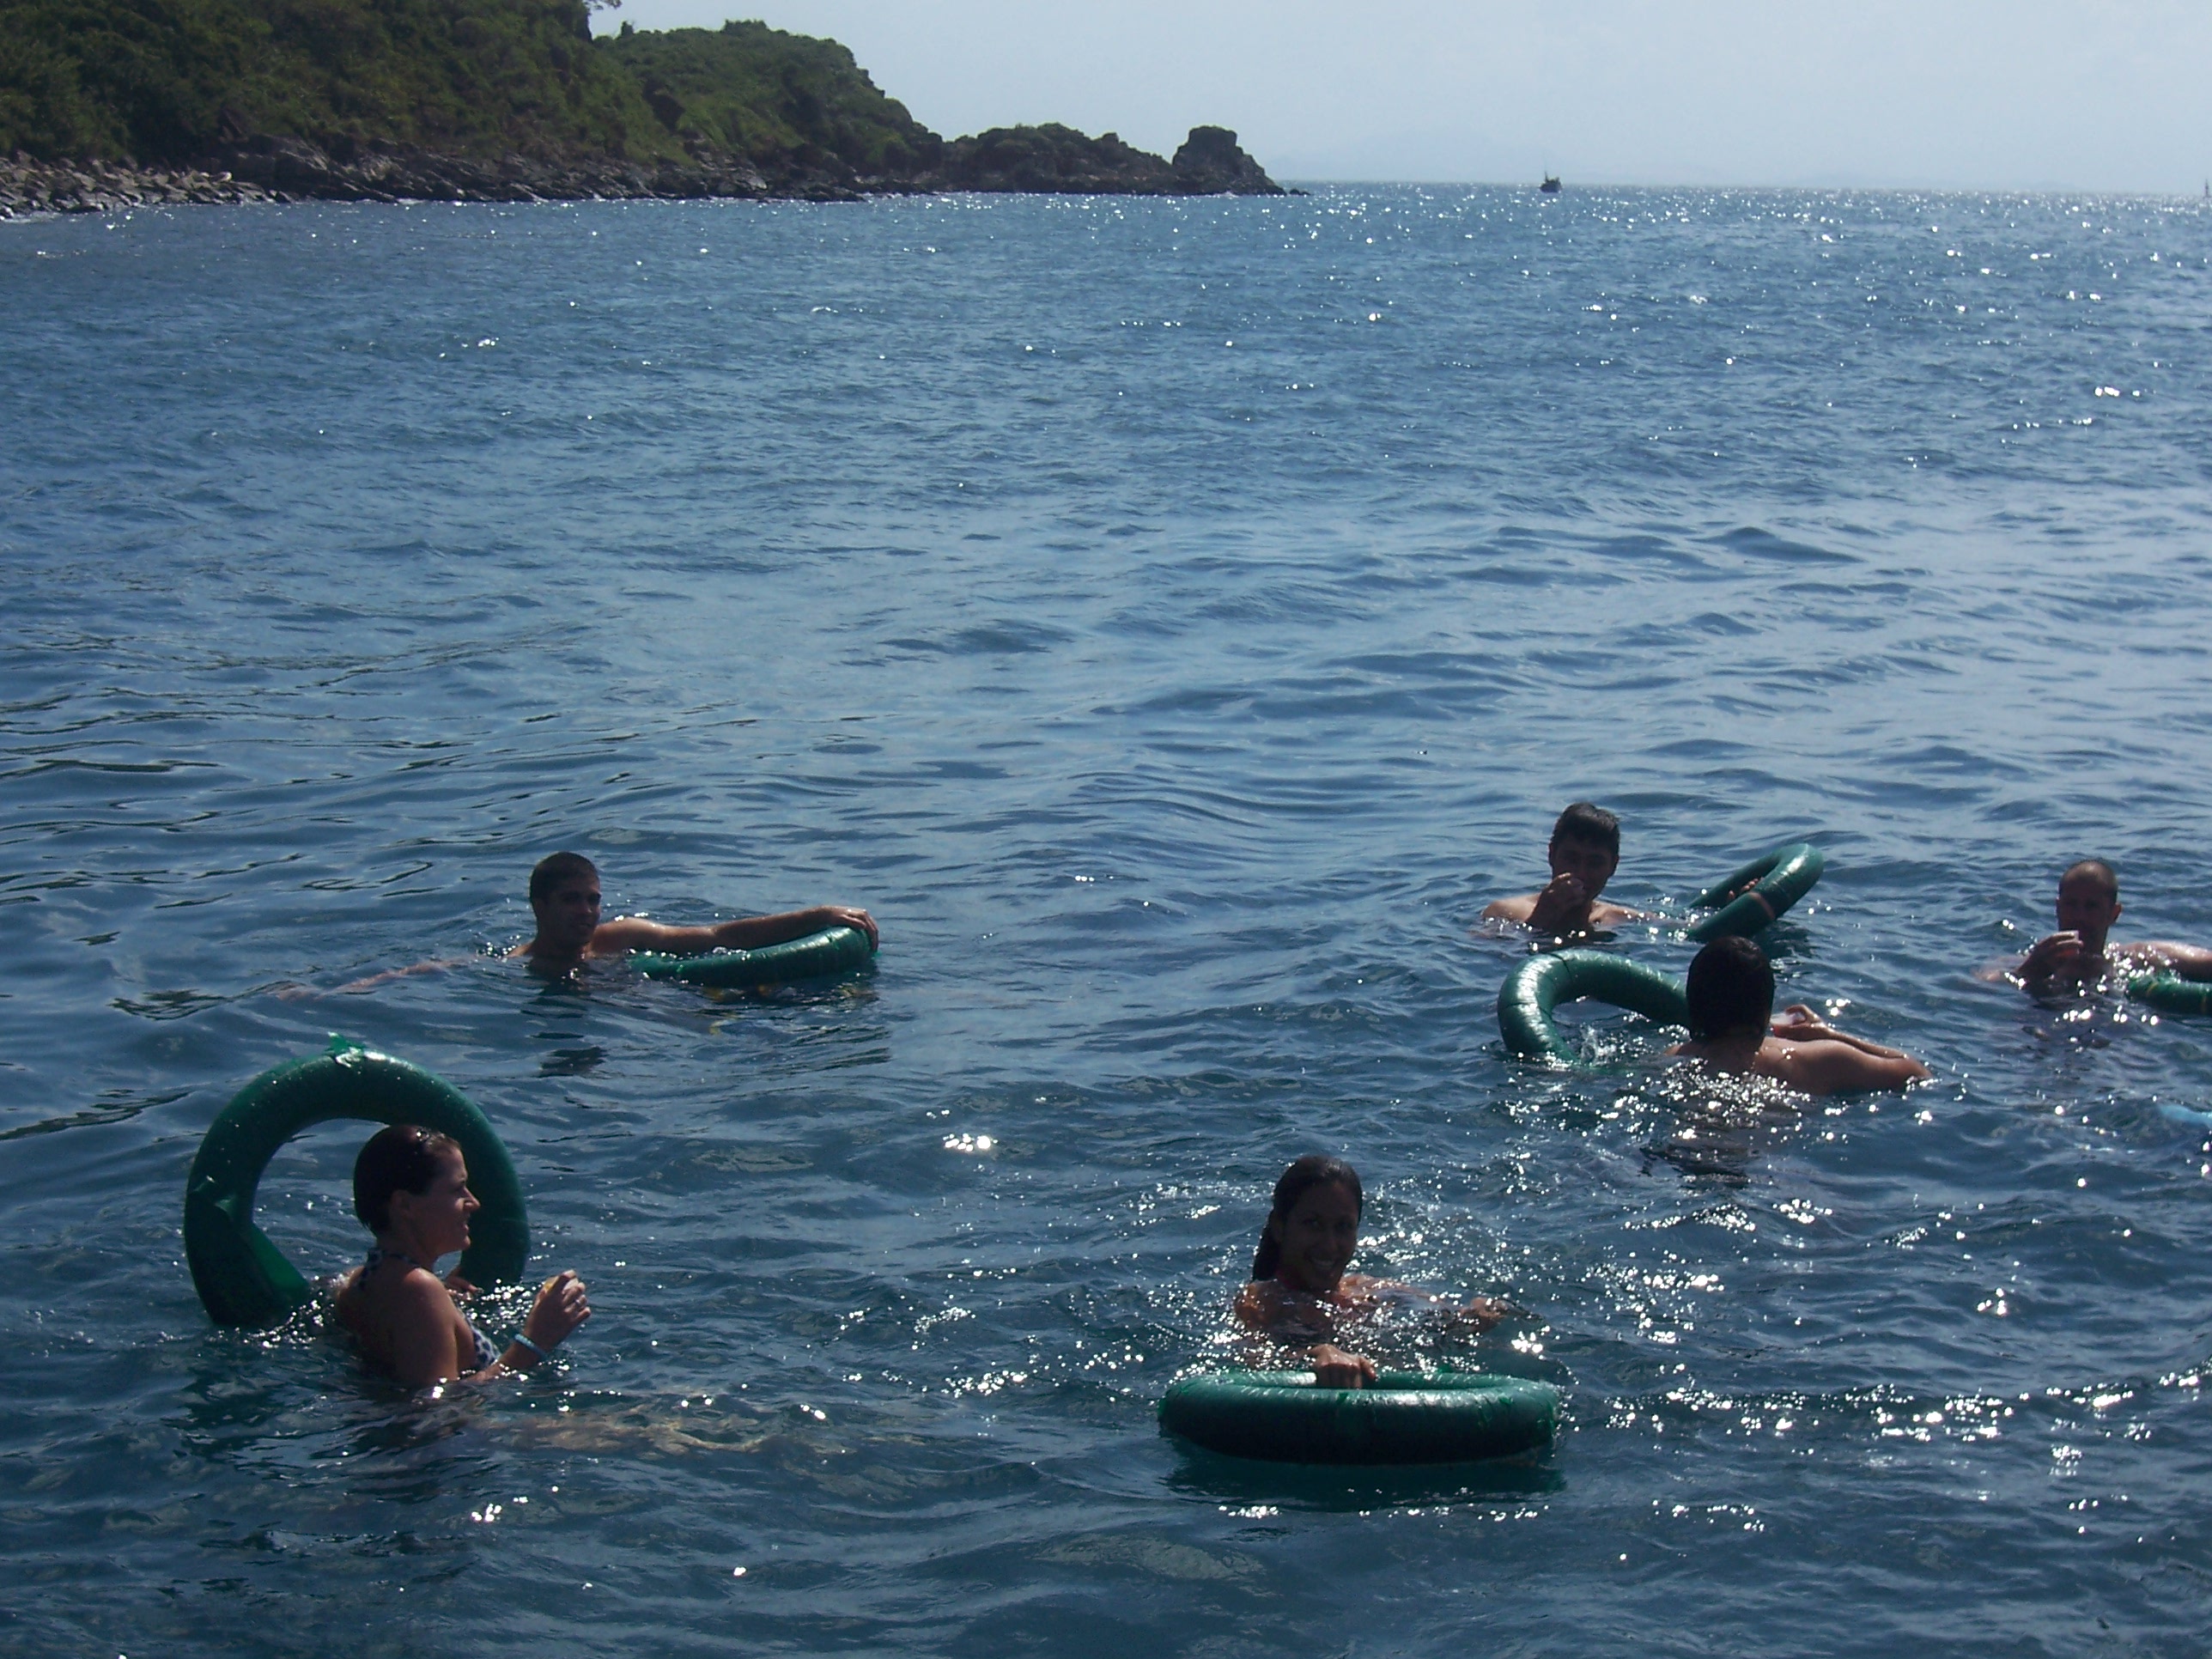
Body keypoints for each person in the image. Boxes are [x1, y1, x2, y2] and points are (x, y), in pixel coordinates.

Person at [333, 1124, 591, 1388]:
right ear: (405, 1205)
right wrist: (534, 1342)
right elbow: (434, 1412)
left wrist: (439, 1301)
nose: (474, 1203)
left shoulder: (358, 1281)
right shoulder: (417, 1291)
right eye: (458, 1190)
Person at [1232, 1155, 1513, 1388]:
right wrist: (1315, 1354)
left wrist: (1473, 1317)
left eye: (1343, 1227)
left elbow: (1446, 1318)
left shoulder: (1367, 1289)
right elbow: (1257, 1359)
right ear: (1280, 1227)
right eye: (1313, 1224)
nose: (1329, 1245)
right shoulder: (1260, 1302)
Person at [514, 851, 878, 971]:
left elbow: (720, 937)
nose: (587, 911)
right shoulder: (519, 967)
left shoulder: (622, 936)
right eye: (571, 900)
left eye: (593, 900)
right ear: (540, 907)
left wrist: (820, 915)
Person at [1669, 936, 1929, 1095]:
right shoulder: (1820, 1058)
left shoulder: (1674, 1058)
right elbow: (1916, 1072)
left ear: (1694, 1002)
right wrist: (1829, 1035)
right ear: (1766, 1008)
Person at [2010, 859, 2212, 994]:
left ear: (2113, 914)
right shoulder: (2033, 962)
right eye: (2071, 905)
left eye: (2091, 907)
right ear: (2057, 907)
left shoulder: (2135, 958)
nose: (2079, 916)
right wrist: (2032, 970)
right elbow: (1984, 982)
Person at [1483, 802, 1644, 937]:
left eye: (1594, 863)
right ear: (1552, 855)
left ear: (1613, 866)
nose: (1581, 873)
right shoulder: (1504, 914)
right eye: (1571, 859)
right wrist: (1538, 920)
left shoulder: (1626, 921)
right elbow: (1487, 955)